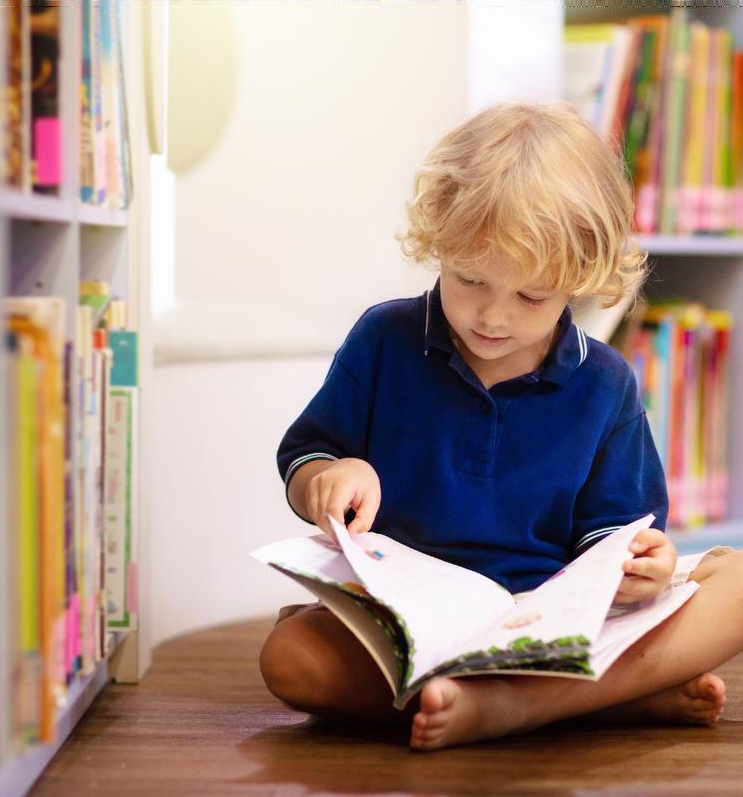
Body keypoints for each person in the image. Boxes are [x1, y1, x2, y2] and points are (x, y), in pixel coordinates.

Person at [258, 102, 743, 750]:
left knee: (736, 581)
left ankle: (518, 704)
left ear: (580, 279)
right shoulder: (384, 339)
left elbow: (617, 540)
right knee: (291, 660)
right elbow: (308, 456)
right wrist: (327, 477)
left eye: (530, 296)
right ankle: (591, 702)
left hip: (549, 623)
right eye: (470, 280)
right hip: (408, 619)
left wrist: (642, 566)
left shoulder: (605, 382)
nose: (491, 315)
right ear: (439, 244)